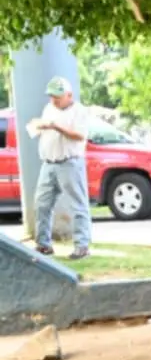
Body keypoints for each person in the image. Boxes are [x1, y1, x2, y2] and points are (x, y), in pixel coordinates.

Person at [29, 76, 93, 260]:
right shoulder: (49, 109)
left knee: (77, 204)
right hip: (48, 163)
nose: (54, 100)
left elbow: (80, 136)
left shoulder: (79, 111)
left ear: (69, 95)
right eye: (51, 96)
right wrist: (40, 126)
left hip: (69, 162)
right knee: (42, 204)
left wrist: (57, 127)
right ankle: (43, 244)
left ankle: (82, 245)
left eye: (58, 96)